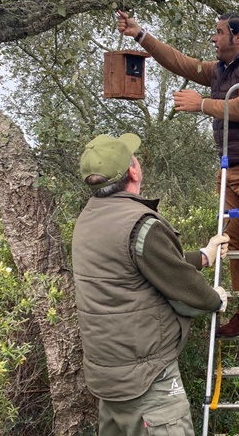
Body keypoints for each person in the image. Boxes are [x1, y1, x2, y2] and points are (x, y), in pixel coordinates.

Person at [116, 10, 239, 343]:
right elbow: (182, 63)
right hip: (232, 168)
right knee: (233, 242)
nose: (213, 38)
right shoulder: (221, 69)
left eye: (219, 32)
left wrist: (203, 103)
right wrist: (140, 35)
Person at [71, 133, 229, 436]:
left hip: (108, 379)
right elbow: (182, 285)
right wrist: (215, 299)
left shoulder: (88, 219)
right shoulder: (142, 224)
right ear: (133, 171)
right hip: (147, 380)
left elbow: (143, 263)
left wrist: (205, 256)